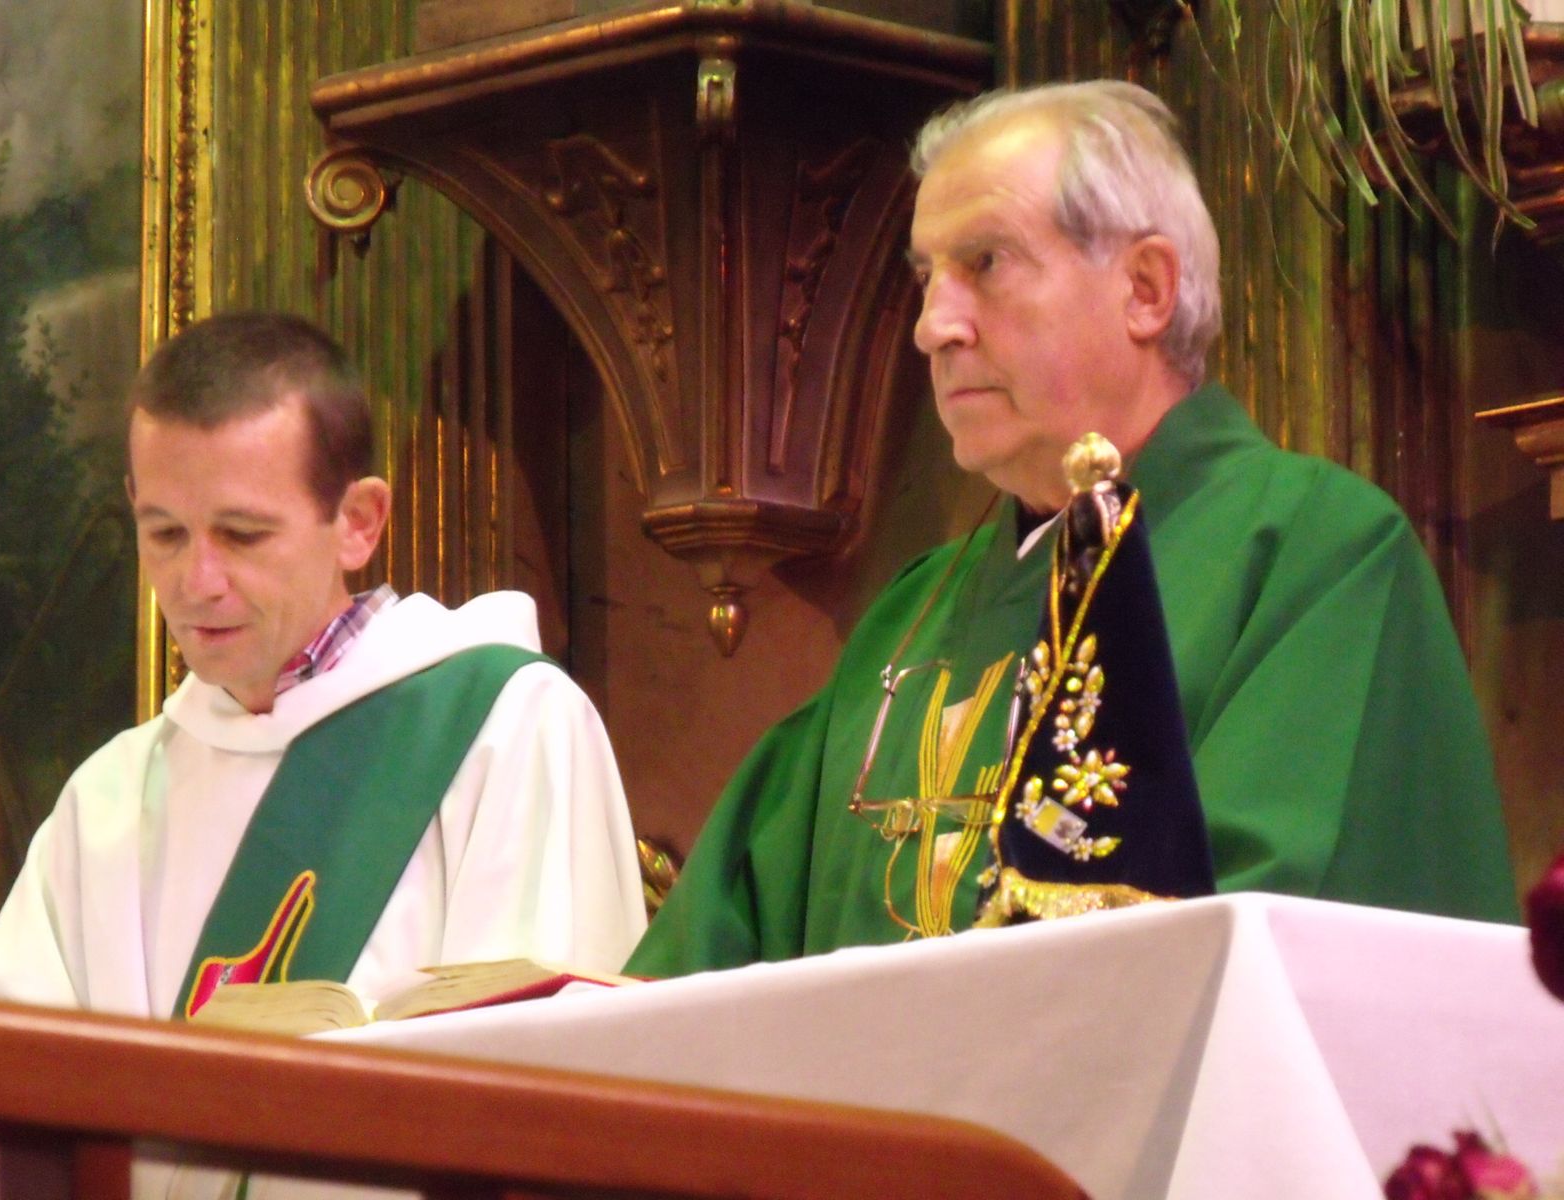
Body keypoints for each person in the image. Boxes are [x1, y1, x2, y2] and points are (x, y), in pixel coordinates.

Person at [627, 80, 1518, 978]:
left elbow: (1268, 961)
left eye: (986, 262)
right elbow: (697, 965)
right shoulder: (910, 615)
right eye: (926, 278)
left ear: (1145, 289)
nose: (934, 327)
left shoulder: (1316, 556)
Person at [0, 311, 647, 1017]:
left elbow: (549, 1054)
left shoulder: (506, 728)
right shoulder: (107, 802)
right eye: (165, 533)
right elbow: (11, 1066)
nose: (197, 581)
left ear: (358, 522)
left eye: (242, 535)